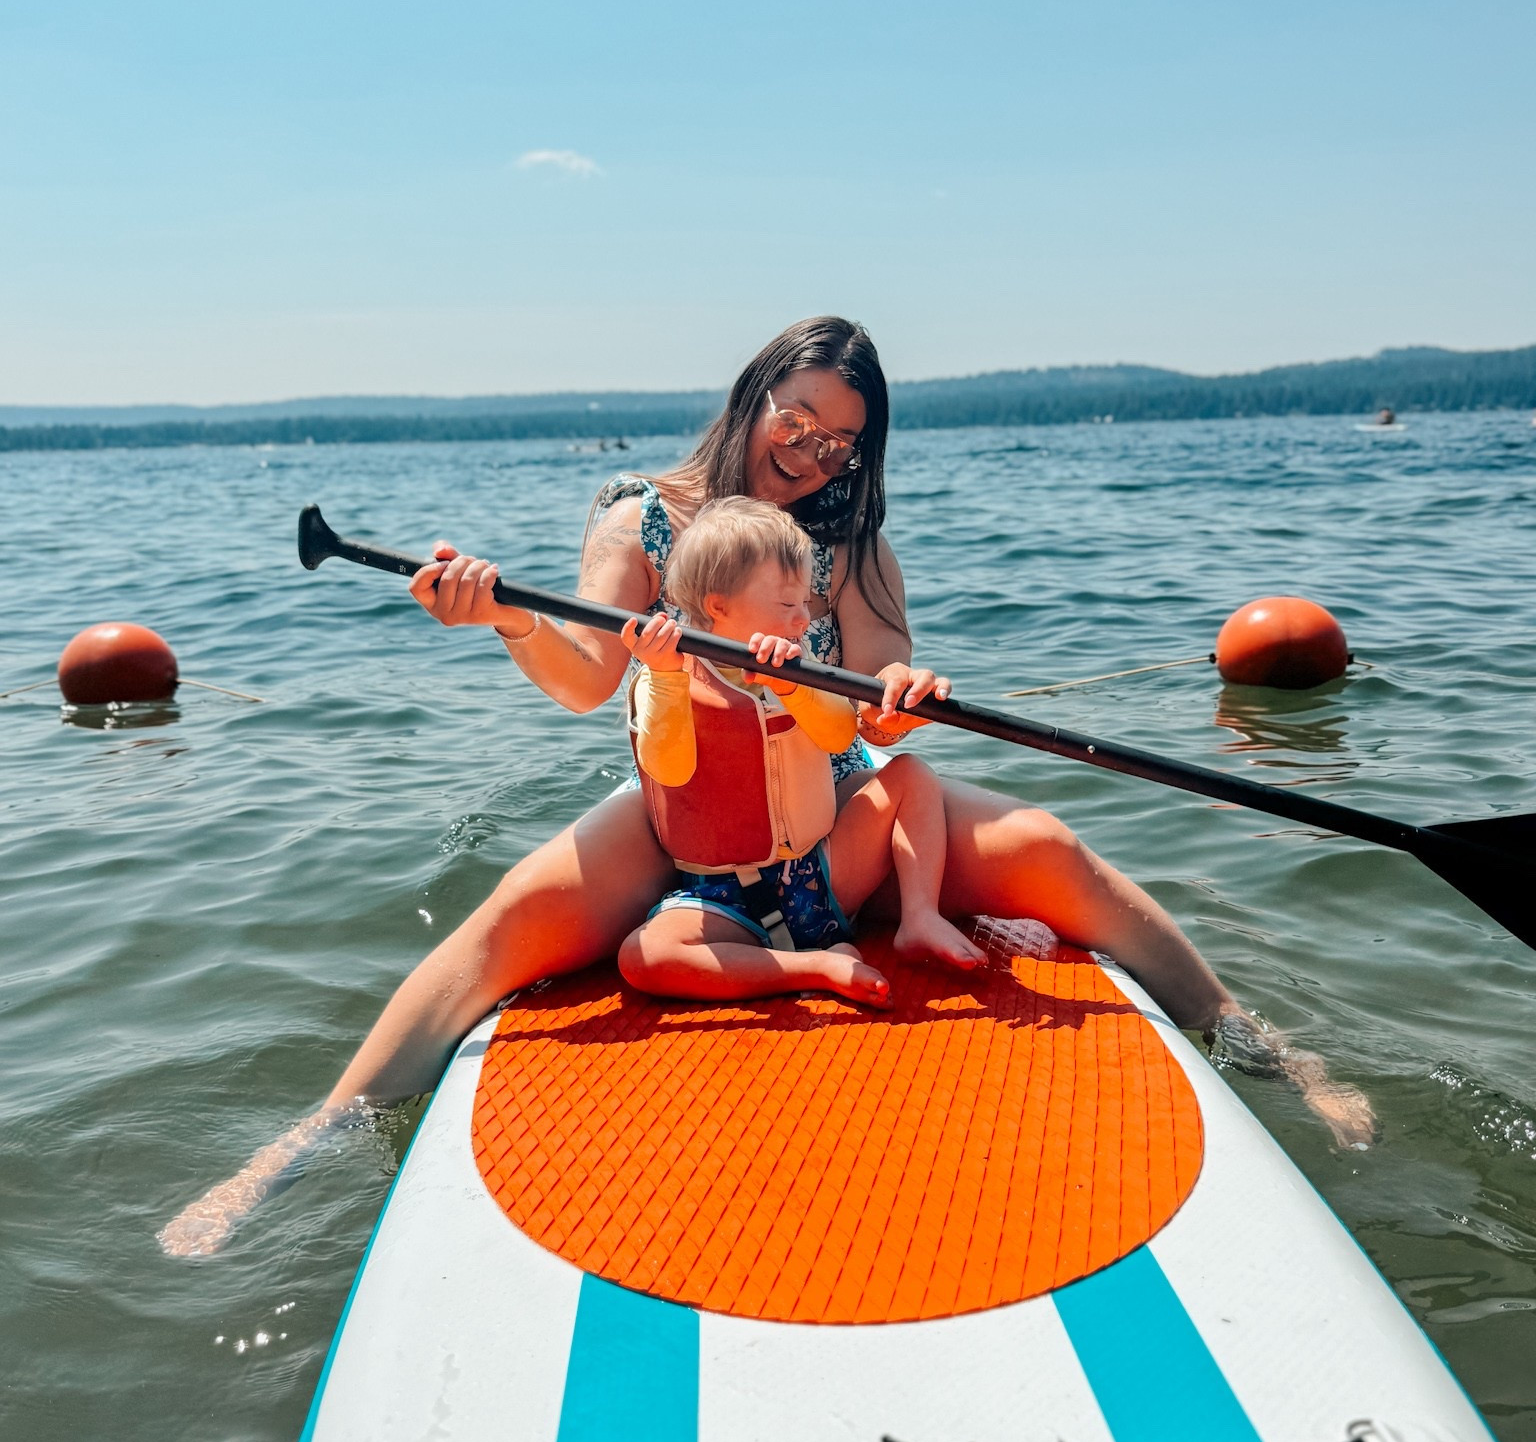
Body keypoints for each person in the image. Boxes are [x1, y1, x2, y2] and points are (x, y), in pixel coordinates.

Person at [159, 316, 1373, 1256]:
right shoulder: (643, 518)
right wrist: (499, 622)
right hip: (682, 804)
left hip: (825, 793)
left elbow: (886, 675)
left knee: (1054, 847)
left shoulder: (843, 540)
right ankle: (290, 1154)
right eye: (799, 419)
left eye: (841, 438)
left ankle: (1269, 1052)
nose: (813, 451)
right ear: (757, 395)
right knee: (501, 935)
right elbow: (587, 681)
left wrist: (907, 685)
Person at [619, 496, 982, 1006]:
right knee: (643, 957)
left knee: (911, 775)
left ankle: (921, 915)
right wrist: (663, 676)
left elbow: (838, 736)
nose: (802, 619)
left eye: (805, 604)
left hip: (823, 871)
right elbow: (669, 770)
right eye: (786, 606)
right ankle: (811, 967)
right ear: (719, 606)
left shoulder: (801, 667)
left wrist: (793, 688)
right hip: (723, 897)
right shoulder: (664, 677)